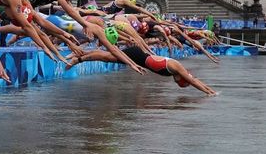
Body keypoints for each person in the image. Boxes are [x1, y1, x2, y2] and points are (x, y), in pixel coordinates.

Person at [66, 46, 217, 96]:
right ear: (182, 79)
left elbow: (194, 80)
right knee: (105, 57)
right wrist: (209, 93)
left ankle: (77, 54)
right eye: (180, 84)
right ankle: (76, 58)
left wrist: (210, 90)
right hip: (137, 56)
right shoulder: (177, 68)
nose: (177, 83)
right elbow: (193, 81)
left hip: (138, 57)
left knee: (105, 56)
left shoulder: (177, 71)